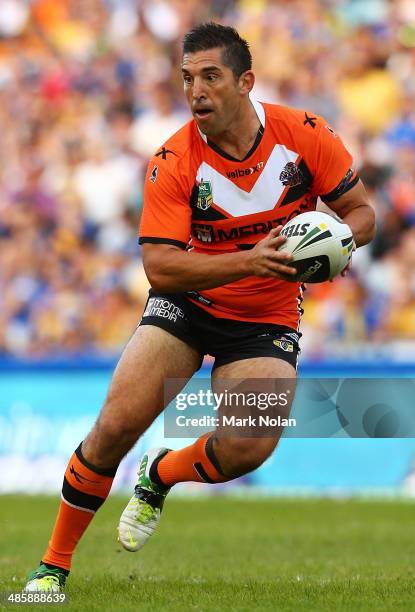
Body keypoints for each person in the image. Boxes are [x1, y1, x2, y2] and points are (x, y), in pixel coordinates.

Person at [24, 22, 375, 592]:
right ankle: (51, 571)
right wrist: (249, 262)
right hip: (186, 306)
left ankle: (160, 474)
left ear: (246, 82)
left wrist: (337, 240)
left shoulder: (306, 134)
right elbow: (160, 268)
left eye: (211, 77)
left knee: (246, 447)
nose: (196, 91)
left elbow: (363, 212)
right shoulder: (174, 159)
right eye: (187, 78)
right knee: (114, 427)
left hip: (265, 319)